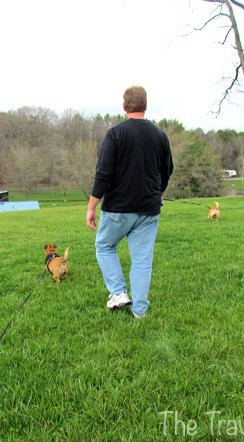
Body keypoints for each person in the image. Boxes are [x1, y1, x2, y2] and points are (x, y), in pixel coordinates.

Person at [86, 86, 174, 319]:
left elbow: (103, 174)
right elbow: (167, 171)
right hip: (149, 208)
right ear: (145, 105)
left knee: (104, 246)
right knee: (142, 260)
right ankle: (140, 311)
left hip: (118, 209)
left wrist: (91, 206)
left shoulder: (115, 134)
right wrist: (159, 191)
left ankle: (118, 293)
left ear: (124, 106)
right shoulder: (160, 135)